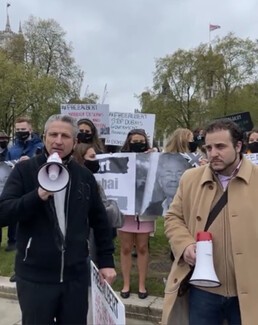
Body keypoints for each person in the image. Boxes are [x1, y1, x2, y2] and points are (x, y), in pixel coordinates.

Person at [0, 114, 116, 325]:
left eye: (65, 136)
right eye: (53, 134)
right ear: (44, 137)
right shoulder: (24, 171)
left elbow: (100, 222)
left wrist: (107, 262)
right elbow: (4, 212)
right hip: (35, 277)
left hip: (75, 278)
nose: (58, 141)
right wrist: (38, 195)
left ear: (75, 142)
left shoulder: (84, 177)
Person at [162, 118, 258, 325]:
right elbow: (173, 217)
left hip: (249, 291)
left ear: (239, 146)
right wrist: (184, 245)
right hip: (203, 291)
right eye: (209, 147)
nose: (213, 153)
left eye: (221, 146)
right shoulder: (190, 178)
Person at [118, 128, 156, 300]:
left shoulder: (153, 158)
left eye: (142, 141)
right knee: (126, 248)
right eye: (135, 141)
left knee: (142, 247)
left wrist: (155, 155)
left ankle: (142, 284)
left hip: (144, 210)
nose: (138, 144)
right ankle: (126, 283)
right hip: (126, 211)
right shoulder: (120, 159)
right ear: (128, 142)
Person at [5, 117, 43, 253]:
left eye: (23, 129)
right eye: (18, 130)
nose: (21, 132)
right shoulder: (13, 148)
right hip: (16, 182)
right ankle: (12, 240)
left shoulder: (40, 146)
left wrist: (31, 160)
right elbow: (6, 164)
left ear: (30, 129)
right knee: (14, 208)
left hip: (35, 183)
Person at [0, 131, 11, 249]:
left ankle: (12, 241)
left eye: (4, 139)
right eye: (0, 139)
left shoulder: (11, 151)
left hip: (8, 184)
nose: (3, 141)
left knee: (10, 214)